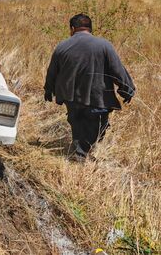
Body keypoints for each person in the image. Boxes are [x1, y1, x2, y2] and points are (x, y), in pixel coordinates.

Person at [44, 14, 135, 160]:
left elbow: (52, 71)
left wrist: (48, 89)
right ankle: (81, 155)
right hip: (97, 98)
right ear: (90, 29)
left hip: (71, 98)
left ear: (72, 29)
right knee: (97, 128)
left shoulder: (62, 46)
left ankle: (80, 150)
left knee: (78, 125)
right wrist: (127, 89)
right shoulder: (104, 45)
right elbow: (117, 70)